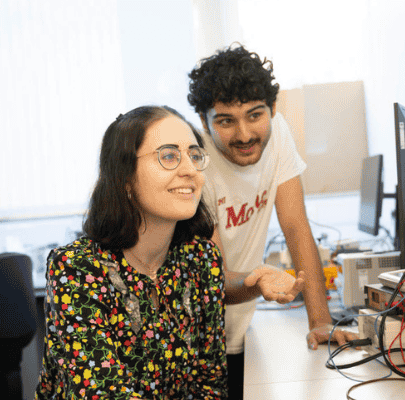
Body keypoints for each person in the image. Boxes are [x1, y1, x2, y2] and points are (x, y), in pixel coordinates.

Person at [36, 105, 298, 399]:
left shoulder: (201, 260)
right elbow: (104, 394)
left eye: (194, 155)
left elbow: (210, 385)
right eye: (169, 156)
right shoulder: (76, 268)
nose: (190, 170)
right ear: (124, 178)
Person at [188, 44, 359, 399]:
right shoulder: (195, 162)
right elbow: (212, 278)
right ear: (203, 121)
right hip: (198, 345)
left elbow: (296, 225)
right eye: (225, 121)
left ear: (273, 108)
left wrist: (321, 322)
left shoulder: (277, 132)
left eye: (255, 115)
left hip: (241, 323)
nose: (245, 134)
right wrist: (261, 282)